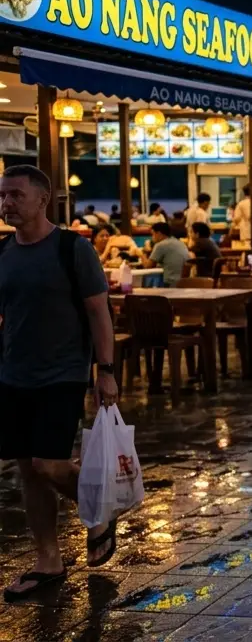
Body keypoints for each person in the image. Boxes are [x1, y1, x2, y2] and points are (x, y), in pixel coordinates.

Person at [0, 166, 120, 601]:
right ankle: (47, 561)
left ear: (42, 199)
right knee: (26, 472)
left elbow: (98, 313)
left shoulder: (73, 248)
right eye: (2, 196)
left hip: (62, 374)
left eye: (15, 195)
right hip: (13, 375)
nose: (7, 203)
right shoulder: (3, 253)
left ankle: (98, 509)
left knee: (47, 465)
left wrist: (105, 371)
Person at [142, 222, 190, 287]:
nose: (152, 237)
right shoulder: (180, 243)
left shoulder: (160, 245)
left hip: (170, 283)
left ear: (158, 233)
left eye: (152, 234)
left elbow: (148, 266)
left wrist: (143, 253)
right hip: (184, 282)